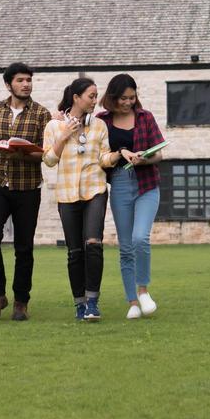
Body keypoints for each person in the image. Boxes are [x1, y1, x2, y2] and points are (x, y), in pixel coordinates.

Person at [0, 62, 52, 321]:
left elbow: (47, 153)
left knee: (24, 247)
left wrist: (24, 152)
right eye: (20, 80)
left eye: (29, 80)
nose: (26, 84)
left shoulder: (42, 114)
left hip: (27, 188)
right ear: (9, 84)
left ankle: (21, 301)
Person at [43, 76, 118, 321]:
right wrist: (64, 135)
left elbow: (103, 158)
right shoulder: (54, 126)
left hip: (95, 190)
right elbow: (50, 160)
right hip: (66, 195)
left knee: (93, 244)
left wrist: (116, 156)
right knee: (75, 251)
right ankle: (79, 303)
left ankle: (93, 302)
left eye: (96, 96)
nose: (95, 101)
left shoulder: (99, 126)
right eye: (91, 96)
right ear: (76, 98)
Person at [97, 74, 166, 319]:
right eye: (123, 98)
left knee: (140, 239)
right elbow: (99, 153)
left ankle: (144, 290)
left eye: (132, 97)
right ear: (113, 97)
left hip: (147, 184)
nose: (128, 102)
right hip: (119, 184)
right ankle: (133, 302)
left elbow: (160, 153)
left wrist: (145, 157)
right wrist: (121, 152)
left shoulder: (145, 117)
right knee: (126, 248)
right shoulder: (101, 121)